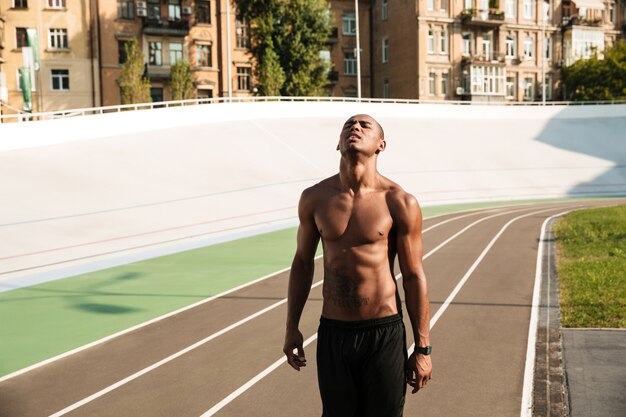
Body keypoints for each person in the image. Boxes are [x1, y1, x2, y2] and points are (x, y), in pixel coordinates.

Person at [282, 114, 433, 417]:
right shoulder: (314, 198)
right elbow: (302, 263)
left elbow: (414, 276)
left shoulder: (400, 201)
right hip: (333, 332)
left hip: (383, 331)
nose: (355, 128)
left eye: (365, 125)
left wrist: (422, 348)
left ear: (381, 144)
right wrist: (291, 328)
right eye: (349, 125)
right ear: (338, 144)